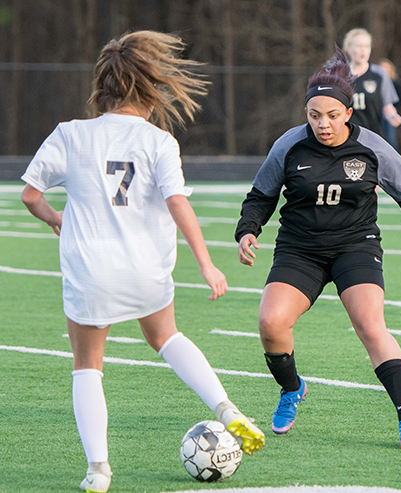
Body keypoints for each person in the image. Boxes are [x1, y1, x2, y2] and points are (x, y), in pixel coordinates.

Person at [20, 31, 265, 493]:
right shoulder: (159, 142)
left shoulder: (70, 135)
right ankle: (227, 409)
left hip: (91, 273)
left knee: (87, 365)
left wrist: (55, 218)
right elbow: (178, 203)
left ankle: (98, 471)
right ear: (149, 92)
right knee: (166, 336)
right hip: (146, 271)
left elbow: (30, 195)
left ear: (102, 89)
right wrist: (207, 264)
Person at [234, 47, 401, 449]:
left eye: (332, 116)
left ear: (348, 113)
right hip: (300, 249)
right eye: (314, 116)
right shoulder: (289, 146)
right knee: (271, 323)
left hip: (356, 245)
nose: (323, 124)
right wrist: (248, 230)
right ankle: (291, 388)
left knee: (370, 325)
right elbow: (261, 195)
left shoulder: (372, 147)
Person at [343, 28, 401, 138]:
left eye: (366, 46)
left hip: (372, 136)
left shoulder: (379, 74)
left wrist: (392, 116)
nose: (363, 50)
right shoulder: (340, 76)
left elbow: (387, 105)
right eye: (359, 46)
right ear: (348, 48)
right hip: (346, 137)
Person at [378, 58, 401, 151]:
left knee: (391, 137)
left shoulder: (396, 83)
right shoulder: (375, 83)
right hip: (378, 114)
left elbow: (399, 100)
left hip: (391, 114)